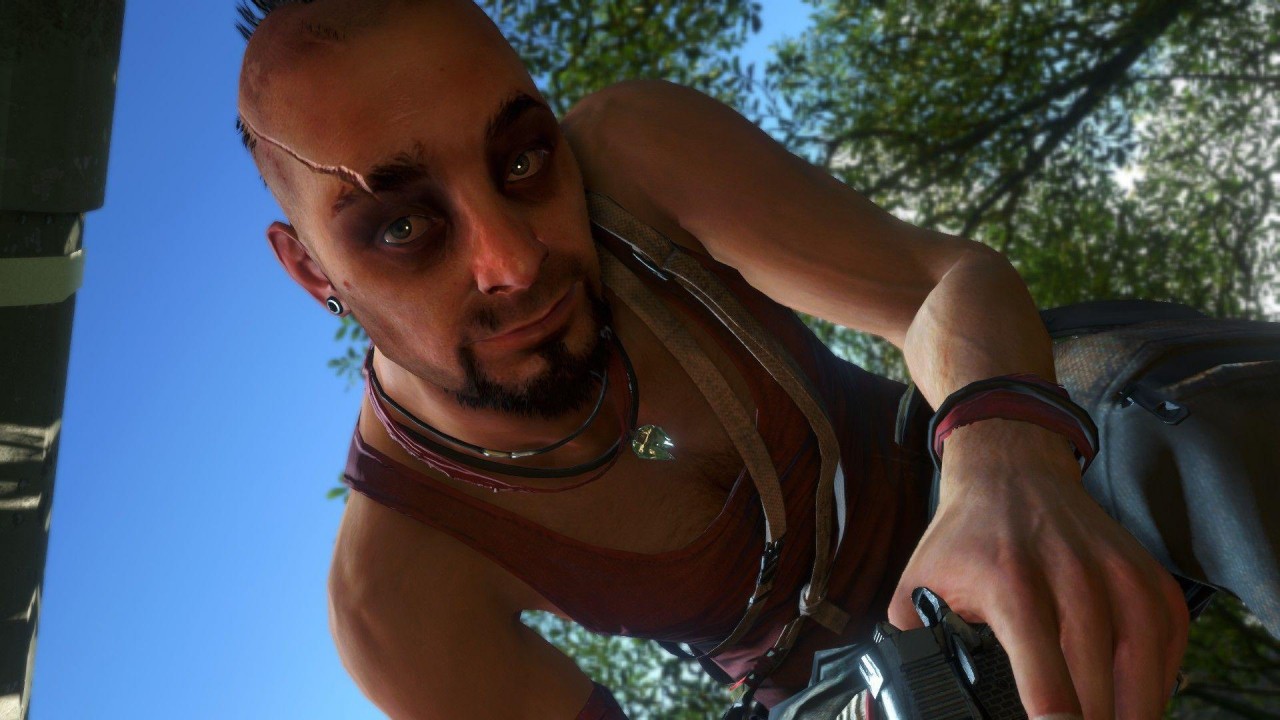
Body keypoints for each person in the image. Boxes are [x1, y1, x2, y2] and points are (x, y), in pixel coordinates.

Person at [234, 0, 1192, 717]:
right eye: (403, 226)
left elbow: (940, 282)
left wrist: (1004, 465)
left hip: (1010, 454)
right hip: (826, 703)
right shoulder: (394, 596)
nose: (514, 261)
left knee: (1175, 401)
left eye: (522, 160)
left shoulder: (635, 156)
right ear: (309, 269)